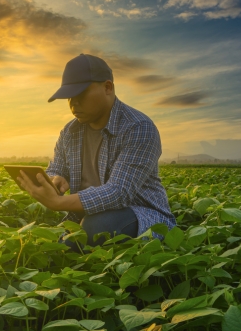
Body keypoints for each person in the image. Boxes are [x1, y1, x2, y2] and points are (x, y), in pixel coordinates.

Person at [17, 53, 176, 249]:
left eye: (81, 94)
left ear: (107, 87)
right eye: (69, 97)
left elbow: (119, 192)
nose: (73, 104)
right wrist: (54, 179)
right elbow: (56, 167)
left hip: (140, 215)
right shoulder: (70, 131)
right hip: (86, 216)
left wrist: (58, 203)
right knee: (43, 239)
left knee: (98, 227)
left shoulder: (139, 127)